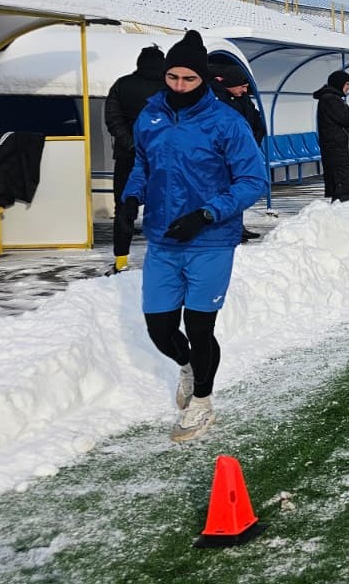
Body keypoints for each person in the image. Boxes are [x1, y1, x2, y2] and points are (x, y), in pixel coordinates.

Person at [120, 30, 268, 442]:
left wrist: (205, 214)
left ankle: (202, 400)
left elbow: (252, 180)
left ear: (203, 79)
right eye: (173, 78)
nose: (180, 86)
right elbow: (142, 165)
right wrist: (131, 198)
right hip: (163, 241)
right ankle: (186, 366)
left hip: (210, 241)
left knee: (200, 327)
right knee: (159, 328)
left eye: (188, 79)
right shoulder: (150, 117)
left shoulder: (226, 122)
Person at [102, 44, 165, 275]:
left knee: (124, 208)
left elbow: (113, 119)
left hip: (127, 157)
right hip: (163, 158)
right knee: (163, 206)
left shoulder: (121, 85)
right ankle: (160, 258)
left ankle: (120, 261)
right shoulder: (169, 88)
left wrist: (131, 145)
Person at [211, 64, 268, 243]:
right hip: (224, 155)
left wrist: (252, 144)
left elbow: (258, 121)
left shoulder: (242, 99)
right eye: (242, 86)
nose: (245, 90)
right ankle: (227, 228)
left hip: (244, 152)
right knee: (226, 190)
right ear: (230, 84)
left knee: (240, 188)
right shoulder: (216, 100)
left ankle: (238, 227)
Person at [312, 70, 349, 203]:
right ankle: (340, 218)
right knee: (344, 188)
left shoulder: (332, 99)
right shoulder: (330, 99)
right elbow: (346, 119)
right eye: (347, 84)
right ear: (339, 84)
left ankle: (342, 216)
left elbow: (345, 119)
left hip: (342, 151)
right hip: (340, 152)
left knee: (346, 187)